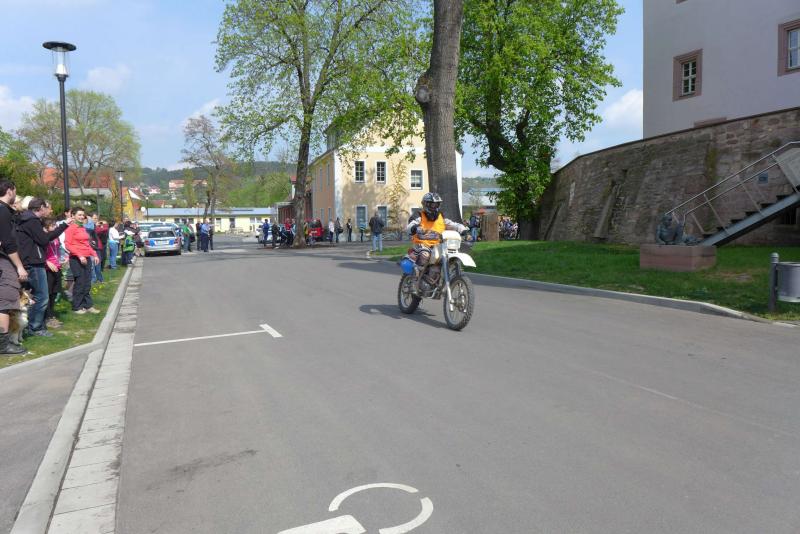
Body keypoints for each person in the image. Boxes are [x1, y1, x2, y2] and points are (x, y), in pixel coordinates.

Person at [16, 198, 71, 336]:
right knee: (42, 296)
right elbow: (44, 240)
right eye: (47, 207)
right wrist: (63, 226)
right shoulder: (32, 221)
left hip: (31, 261)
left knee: (34, 295)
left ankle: (31, 326)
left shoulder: (27, 219)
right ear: (41, 207)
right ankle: (36, 327)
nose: (49, 210)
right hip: (34, 262)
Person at [406, 192, 466, 290]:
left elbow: (452, 224)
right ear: (425, 204)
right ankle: (414, 282)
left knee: (447, 257)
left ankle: (441, 279)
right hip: (421, 244)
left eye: (436, 204)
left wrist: (462, 229)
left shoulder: (440, 216)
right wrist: (414, 228)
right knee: (425, 255)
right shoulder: (419, 215)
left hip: (438, 245)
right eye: (431, 204)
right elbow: (409, 226)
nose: (434, 207)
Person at [0, 180, 28, 355]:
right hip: (4, 261)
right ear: (9, 191)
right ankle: (3, 345)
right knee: (5, 302)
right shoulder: (2, 210)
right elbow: (8, 242)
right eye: (15, 191)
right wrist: (19, 267)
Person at [64, 207, 100, 314]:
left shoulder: (82, 227)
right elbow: (68, 244)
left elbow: (87, 244)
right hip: (76, 259)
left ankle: (88, 305)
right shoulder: (71, 228)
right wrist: (79, 256)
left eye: (82, 215)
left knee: (87, 283)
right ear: (73, 216)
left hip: (86, 258)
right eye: (79, 215)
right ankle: (77, 306)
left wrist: (94, 255)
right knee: (80, 283)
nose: (81, 217)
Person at [43, 218, 65, 330]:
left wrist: (62, 258)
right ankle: (47, 317)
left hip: (57, 266)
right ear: (46, 228)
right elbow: (40, 253)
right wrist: (47, 262)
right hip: (48, 268)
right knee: (48, 293)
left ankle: (51, 314)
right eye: (52, 225)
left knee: (54, 292)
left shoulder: (56, 237)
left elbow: (57, 250)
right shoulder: (44, 237)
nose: (55, 227)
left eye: (55, 225)